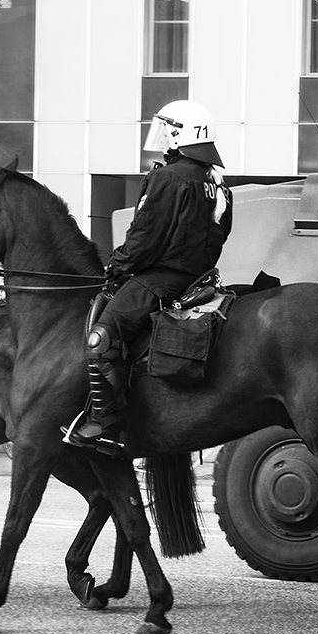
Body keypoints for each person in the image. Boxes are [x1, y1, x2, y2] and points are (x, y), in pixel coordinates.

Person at [66, 100, 234, 447]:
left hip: (160, 277)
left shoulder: (166, 177)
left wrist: (117, 265)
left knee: (102, 334)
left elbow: (146, 235)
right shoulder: (217, 182)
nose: (160, 138)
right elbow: (222, 233)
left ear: (180, 136)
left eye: (166, 130)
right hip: (200, 277)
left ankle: (105, 422)